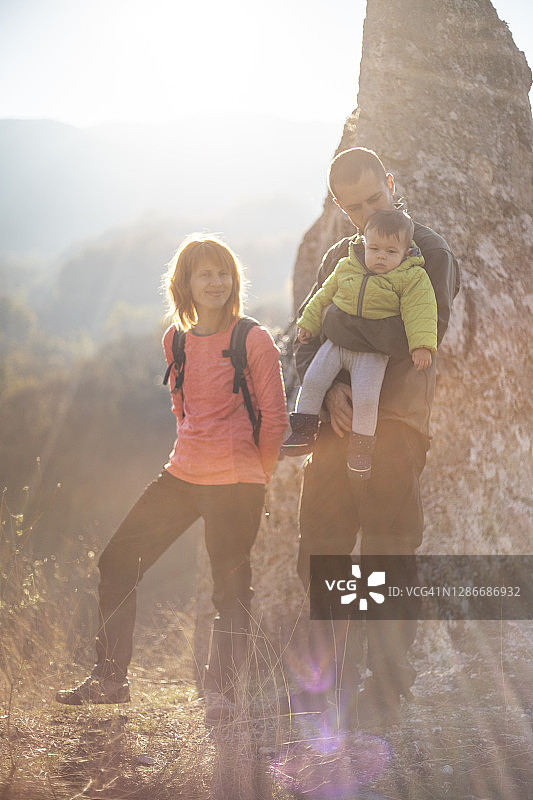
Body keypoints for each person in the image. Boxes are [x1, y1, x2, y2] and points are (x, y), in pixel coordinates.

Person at [55, 234, 288, 725]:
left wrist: (256, 478)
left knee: (230, 591)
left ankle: (222, 694)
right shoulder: (176, 339)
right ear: (185, 283)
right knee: (118, 561)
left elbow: (275, 419)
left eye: (224, 273)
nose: (217, 282)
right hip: (181, 474)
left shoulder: (253, 339)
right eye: (205, 274)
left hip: (237, 482)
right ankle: (109, 680)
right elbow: (181, 405)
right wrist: (191, 449)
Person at [294, 147, 459, 729]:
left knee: (387, 557)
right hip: (337, 430)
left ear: (391, 184)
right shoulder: (342, 256)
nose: (366, 217)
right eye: (353, 208)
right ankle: (325, 680)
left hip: (395, 428)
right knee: (321, 549)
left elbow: (410, 335)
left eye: (375, 200)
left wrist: (341, 326)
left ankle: (383, 694)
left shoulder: (430, 252)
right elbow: (307, 332)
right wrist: (333, 392)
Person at [281, 208, 437, 479]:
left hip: (371, 354)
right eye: (375, 248)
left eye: (391, 252)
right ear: (364, 243)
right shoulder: (347, 266)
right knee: (315, 380)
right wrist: (308, 324)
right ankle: (304, 430)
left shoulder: (411, 278)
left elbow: (421, 311)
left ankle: (361, 450)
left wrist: (421, 345)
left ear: (405, 252)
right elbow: (321, 296)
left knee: (366, 399)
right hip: (335, 345)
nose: (381, 257)